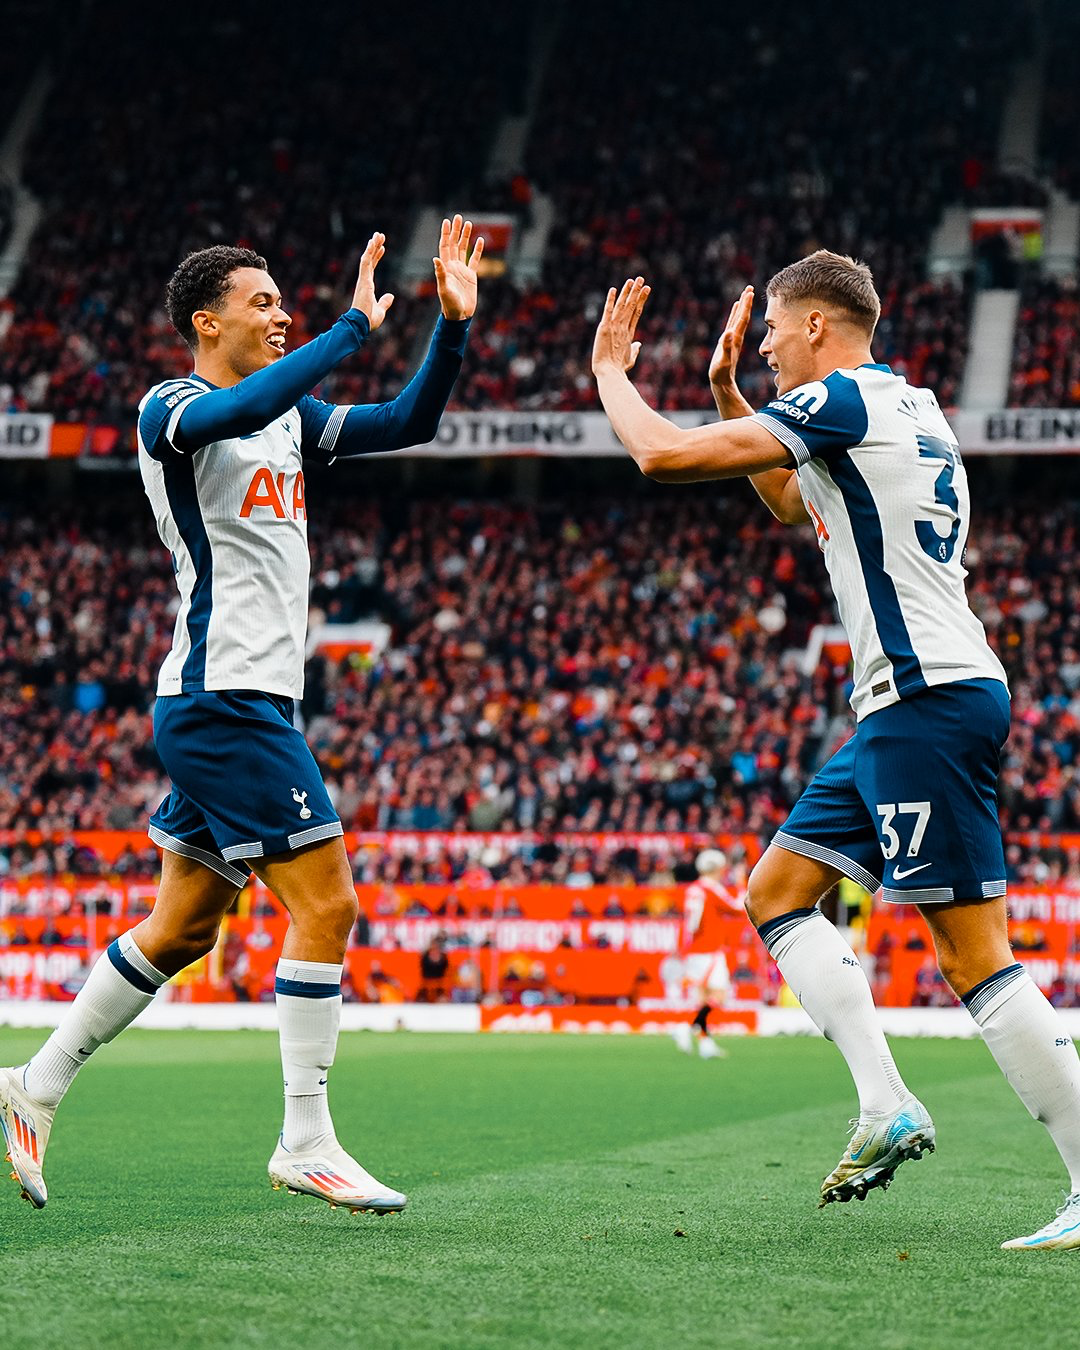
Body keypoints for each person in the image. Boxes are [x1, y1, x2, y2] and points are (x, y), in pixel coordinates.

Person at [591, 251, 1080, 1251]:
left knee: (973, 957)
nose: (764, 342)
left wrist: (608, 372)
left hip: (925, 705)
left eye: (773, 327)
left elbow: (662, 456)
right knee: (773, 892)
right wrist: (731, 389)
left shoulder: (846, 402)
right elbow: (788, 501)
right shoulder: (910, 405)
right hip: (907, 705)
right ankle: (885, 1101)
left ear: (818, 326)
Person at [1, 216, 484, 1216]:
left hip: (240, 700)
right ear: (204, 318)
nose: (280, 314)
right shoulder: (172, 407)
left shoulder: (289, 419)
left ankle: (32, 1085)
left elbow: (410, 423)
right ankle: (304, 1138)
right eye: (261, 302)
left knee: (182, 925)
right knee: (329, 907)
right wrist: (349, 328)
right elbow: (251, 401)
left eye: (282, 302)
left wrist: (451, 327)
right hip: (225, 703)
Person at [672, 848, 741, 1059]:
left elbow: (690, 924)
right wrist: (740, 884)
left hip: (695, 950)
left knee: (702, 999)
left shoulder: (693, 889)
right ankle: (686, 1027)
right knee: (720, 995)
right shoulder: (712, 888)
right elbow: (738, 907)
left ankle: (705, 1043)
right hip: (709, 950)